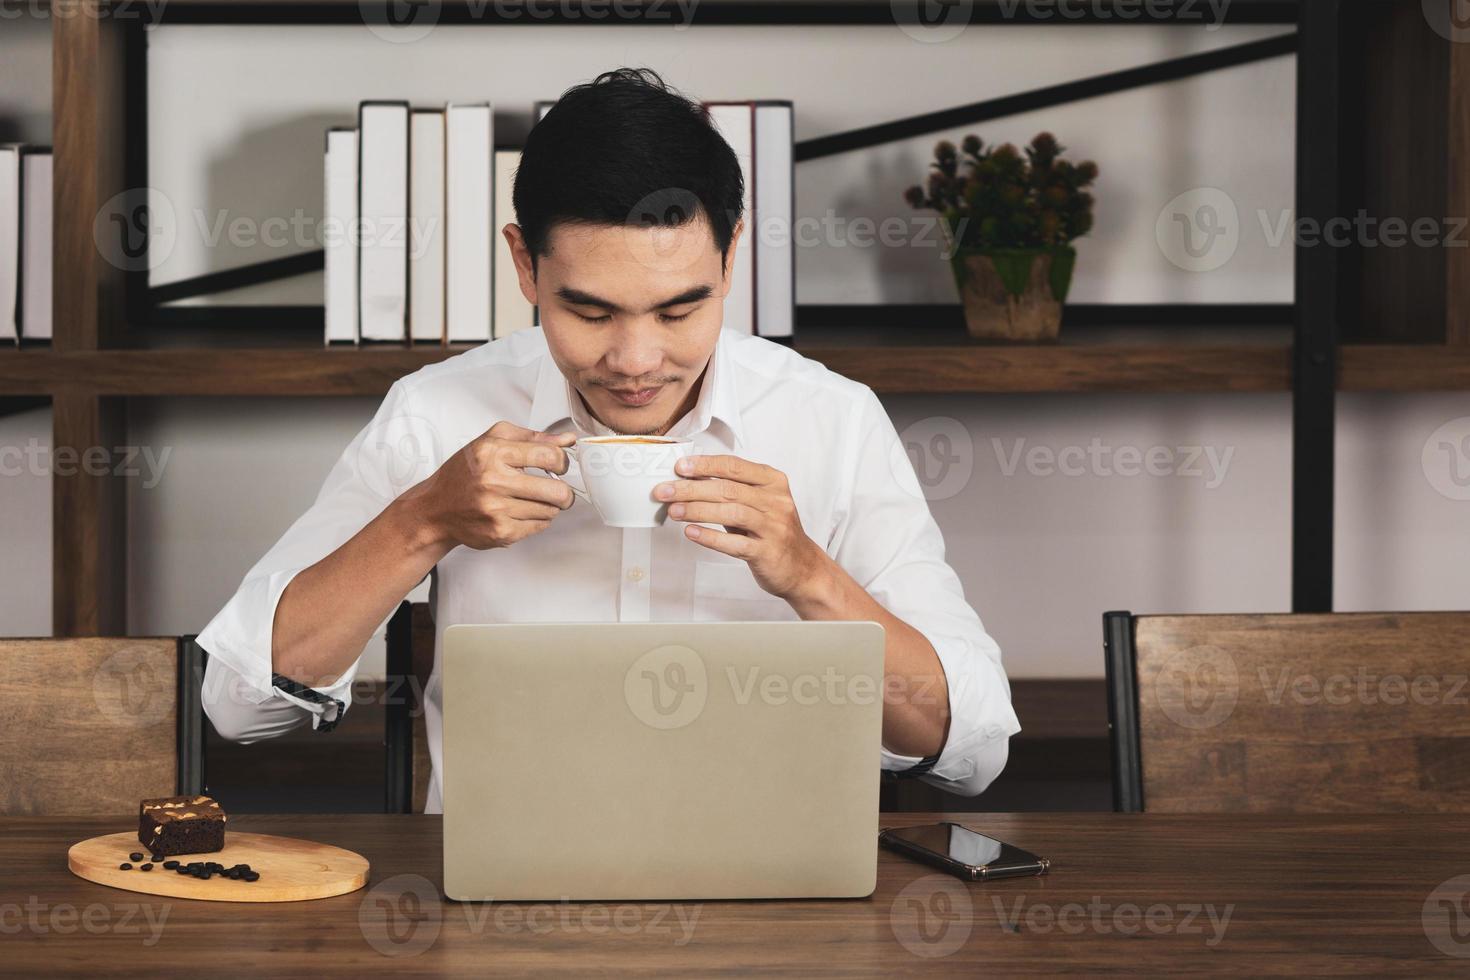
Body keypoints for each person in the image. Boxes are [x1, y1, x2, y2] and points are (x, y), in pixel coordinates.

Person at [197, 67, 1020, 812]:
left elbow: (972, 753)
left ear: (731, 258)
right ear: (525, 266)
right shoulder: (437, 411)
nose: (634, 362)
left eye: (677, 310)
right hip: (500, 907)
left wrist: (808, 576)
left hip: (779, 908)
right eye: (589, 312)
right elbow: (238, 708)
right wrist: (421, 522)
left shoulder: (831, 421)